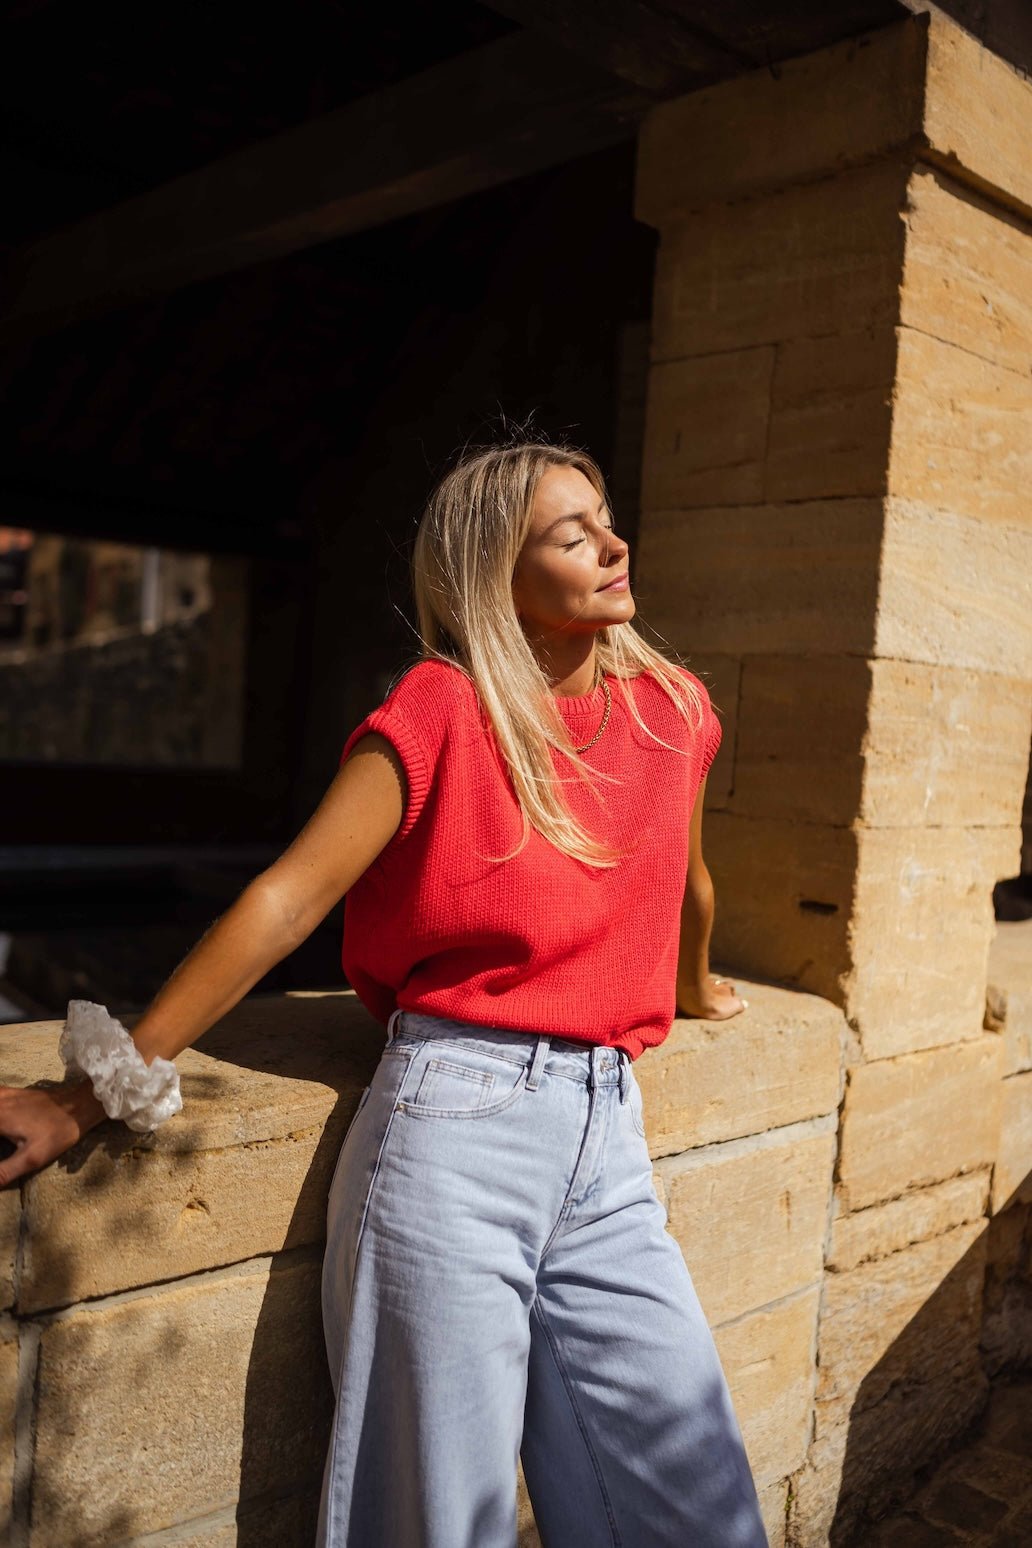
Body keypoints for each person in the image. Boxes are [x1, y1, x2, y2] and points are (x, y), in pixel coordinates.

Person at [0, 436, 768, 1548]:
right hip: (453, 1136)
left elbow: (685, 884)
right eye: (574, 535)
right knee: (432, 1524)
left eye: (605, 520)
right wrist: (89, 1094)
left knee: (700, 1513)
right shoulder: (444, 705)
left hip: (609, 1143)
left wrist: (691, 988)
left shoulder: (673, 710)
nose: (614, 546)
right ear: (496, 577)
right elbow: (287, 901)